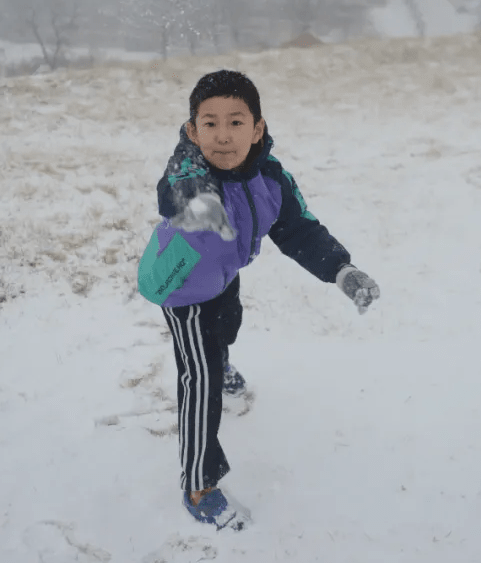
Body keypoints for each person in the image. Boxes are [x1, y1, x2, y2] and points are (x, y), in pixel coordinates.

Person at [137, 69, 380, 531]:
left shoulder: (271, 178)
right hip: (184, 288)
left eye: (235, 122)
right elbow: (174, 192)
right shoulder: (188, 171)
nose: (222, 136)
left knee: (228, 328)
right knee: (200, 379)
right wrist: (192, 196)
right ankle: (198, 483)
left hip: (225, 277)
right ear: (192, 130)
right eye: (209, 124)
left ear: (258, 128)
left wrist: (341, 269)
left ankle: (221, 360)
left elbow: (299, 229)